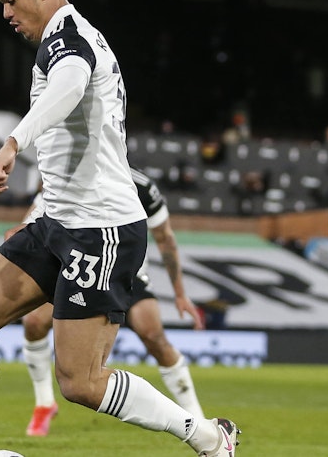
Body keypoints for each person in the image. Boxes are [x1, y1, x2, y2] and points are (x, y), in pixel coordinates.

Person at [0, 0, 239, 456]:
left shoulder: (70, 39)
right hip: (56, 221)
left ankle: (208, 436)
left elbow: (70, 84)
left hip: (101, 229)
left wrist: (14, 142)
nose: (6, 13)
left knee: (81, 383)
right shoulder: (66, 39)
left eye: (10, 0)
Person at [12, 166, 206, 437]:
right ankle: (44, 403)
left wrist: (180, 294)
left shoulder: (142, 186)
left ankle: (197, 417)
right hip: (78, 267)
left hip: (125, 272)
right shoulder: (67, 176)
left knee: (153, 336)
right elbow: (30, 224)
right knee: (34, 322)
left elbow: (165, 238)